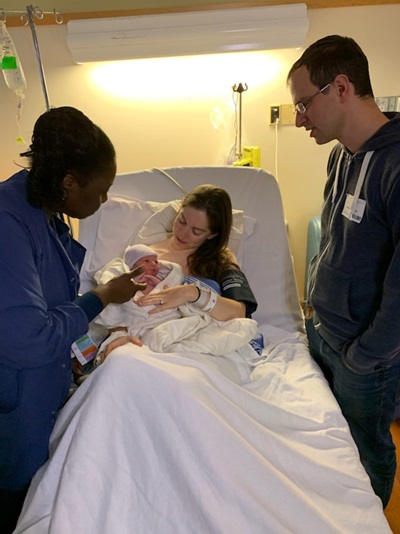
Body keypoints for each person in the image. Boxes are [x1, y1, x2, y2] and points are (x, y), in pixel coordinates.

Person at [0, 106, 146, 533]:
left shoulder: (47, 214)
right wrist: (100, 298)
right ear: (69, 182)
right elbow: (27, 336)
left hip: (42, 399)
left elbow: (51, 308)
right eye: (100, 191)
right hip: (14, 420)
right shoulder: (8, 223)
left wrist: (86, 351)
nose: (104, 201)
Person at [287, 35, 400, 508]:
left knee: (366, 454)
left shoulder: (395, 165)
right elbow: (335, 239)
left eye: (304, 104)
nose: (298, 119)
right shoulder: (340, 155)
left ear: (340, 87)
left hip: (364, 357)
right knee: (328, 448)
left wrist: (365, 357)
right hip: (323, 331)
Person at [103, 184, 259, 355]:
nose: (183, 233)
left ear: (212, 234)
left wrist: (193, 293)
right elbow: (118, 303)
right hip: (153, 344)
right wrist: (118, 332)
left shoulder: (222, 259)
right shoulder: (147, 258)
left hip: (205, 344)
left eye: (196, 231)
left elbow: (239, 312)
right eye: (182, 221)